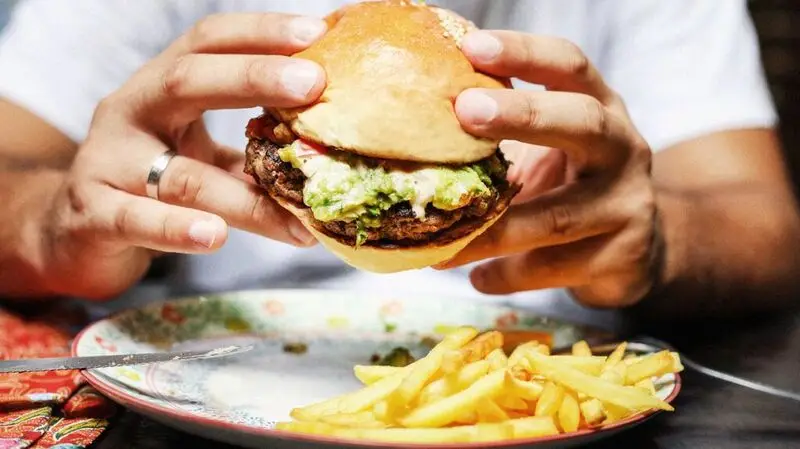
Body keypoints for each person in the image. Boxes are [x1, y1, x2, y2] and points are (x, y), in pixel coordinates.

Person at [0, 0, 797, 327]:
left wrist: (658, 241)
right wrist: (53, 226)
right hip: (221, 360)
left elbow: (767, 223)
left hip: (548, 370)